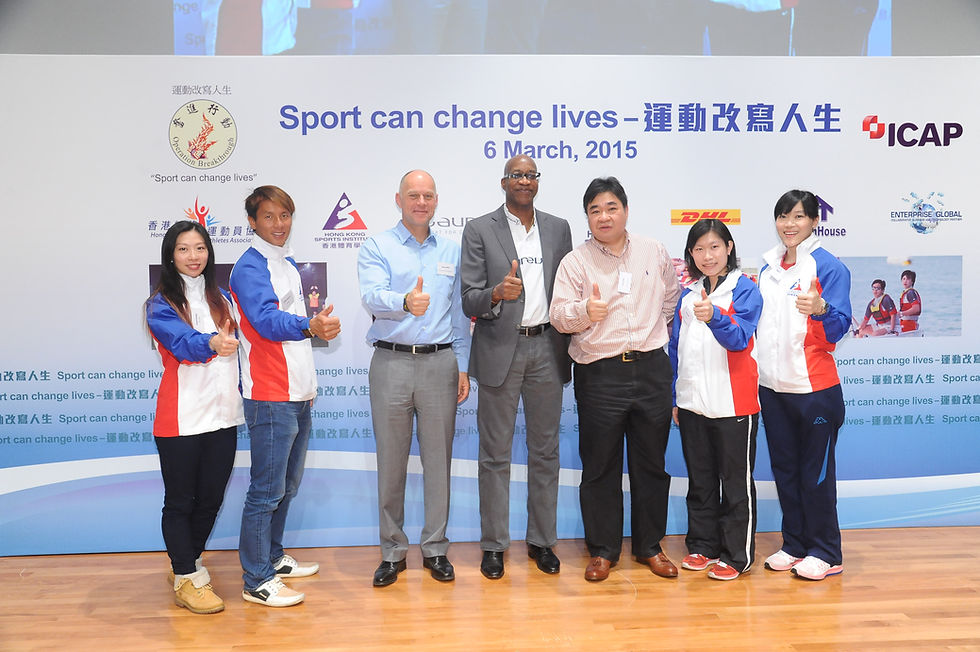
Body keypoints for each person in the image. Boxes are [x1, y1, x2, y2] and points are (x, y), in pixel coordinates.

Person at [550, 177, 681, 582]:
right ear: (587, 217)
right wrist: (586, 312)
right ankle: (603, 549)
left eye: (611, 207)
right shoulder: (575, 262)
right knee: (600, 465)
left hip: (651, 369)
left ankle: (649, 546)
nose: (604, 216)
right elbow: (558, 315)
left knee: (650, 464)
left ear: (625, 210)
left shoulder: (653, 250)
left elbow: (671, 300)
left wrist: (647, 334)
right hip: (600, 373)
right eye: (595, 210)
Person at [460, 155, 573, 580]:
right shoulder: (479, 229)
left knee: (546, 452)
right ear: (503, 181)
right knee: (495, 456)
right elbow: (468, 297)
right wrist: (496, 293)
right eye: (516, 175)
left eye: (530, 175)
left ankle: (543, 541)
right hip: (498, 350)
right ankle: (494, 546)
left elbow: (570, 287)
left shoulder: (559, 228)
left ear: (537, 182)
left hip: (547, 348)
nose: (524, 181)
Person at [357, 170, 472, 587]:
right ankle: (392, 551)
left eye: (427, 195)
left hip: (441, 364)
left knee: (438, 462)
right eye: (412, 195)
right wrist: (404, 301)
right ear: (398, 199)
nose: (420, 202)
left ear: (436, 201)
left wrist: (463, 365)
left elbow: (460, 314)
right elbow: (371, 295)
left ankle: (436, 548)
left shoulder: (453, 251)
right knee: (391, 463)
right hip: (391, 363)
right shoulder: (377, 245)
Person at [231, 185, 342, 607]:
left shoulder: (288, 265)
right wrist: (310, 326)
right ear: (253, 222)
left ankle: (273, 558)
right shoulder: (249, 267)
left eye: (285, 216)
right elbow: (264, 322)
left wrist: (308, 386)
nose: (279, 225)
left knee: (286, 486)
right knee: (265, 490)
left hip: (297, 393)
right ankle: (256, 579)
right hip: (270, 395)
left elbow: (294, 329)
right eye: (269, 217)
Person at [146, 220, 244, 614]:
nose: (193, 257)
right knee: (181, 501)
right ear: (171, 255)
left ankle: (184, 563)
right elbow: (182, 342)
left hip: (223, 416)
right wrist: (212, 342)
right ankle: (187, 575)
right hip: (180, 419)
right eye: (184, 249)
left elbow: (245, 350)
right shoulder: (160, 304)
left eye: (200, 248)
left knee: (211, 499)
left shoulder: (223, 297)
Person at [757, 189, 852, 581]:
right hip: (773, 389)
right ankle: (795, 544)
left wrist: (823, 308)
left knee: (815, 473)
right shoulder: (768, 268)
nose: (789, 224)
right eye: (783, 217)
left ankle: (826, 551)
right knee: (786, 470)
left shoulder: (828, 267)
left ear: (815, 221)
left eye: (798, 217)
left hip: (814, 390)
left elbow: (841, 325)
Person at [668, 219, 762, 582]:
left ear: (729, 247)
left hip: (733, 403)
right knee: (701, 480)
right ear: (690, 254)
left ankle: (738, 555)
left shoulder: (745, 289)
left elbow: (739, 338)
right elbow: (676, 349)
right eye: (699, 249)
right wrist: (676, 396)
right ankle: (703, 545)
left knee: (735, 483)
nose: (707, 256)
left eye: (714, 247)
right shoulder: (688, 294)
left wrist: (715, 317)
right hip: (693, 403)